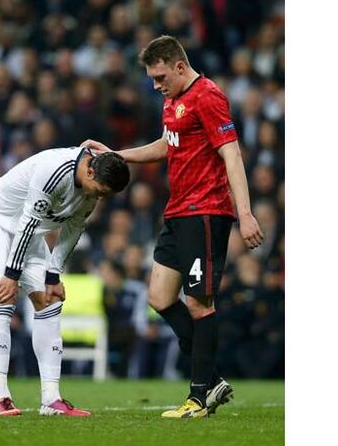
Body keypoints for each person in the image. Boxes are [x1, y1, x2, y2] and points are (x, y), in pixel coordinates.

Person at [84, 35, 264, 418]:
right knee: (160, 297)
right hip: (178, 211)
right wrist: (117, 154)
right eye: (152, 77)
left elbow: (231, 154)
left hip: (206, 211)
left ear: (180, 66)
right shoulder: (173, 100)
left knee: (199, 303)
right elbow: (168, 145)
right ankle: (212, 379)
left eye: (160, 76)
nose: (155, 84)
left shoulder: (208, 96)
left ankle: (199, 396)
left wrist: (244, 213)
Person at [0, 144, 130, 416]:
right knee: (2, 299)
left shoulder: (93, 187)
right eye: (100, 191)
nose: (100, 197)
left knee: (50, 301)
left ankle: (51, 399)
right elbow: (28, 222)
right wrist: (11, 275)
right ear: (90, 172)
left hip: (28, 235)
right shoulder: (55, 170)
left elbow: (74, 227)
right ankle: (1, 397)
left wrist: (54, 275)